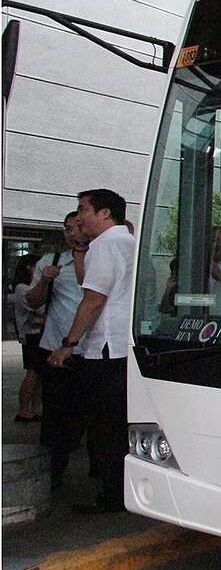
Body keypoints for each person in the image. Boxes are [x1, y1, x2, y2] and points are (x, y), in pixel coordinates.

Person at [47, 189, 134, 512]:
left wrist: (68, 343)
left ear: (104, 213)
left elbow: (93, 299)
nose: (79, 216)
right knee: (115, 424)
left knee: (105, 427)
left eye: (83, 209)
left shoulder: (107, 244)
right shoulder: (127, 242)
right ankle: (118, 490)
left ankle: (112, 496)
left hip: (107, 347)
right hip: (123, 345)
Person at [24, 211, 87, 486]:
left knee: (88, 412)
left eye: (77, 227)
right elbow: (32, 302)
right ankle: (52, 473)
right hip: (55, 347)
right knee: (55, 413)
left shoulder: (101, 259)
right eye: (67, 229)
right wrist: (44, 280)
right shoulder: (50, 262)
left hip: (91, 348)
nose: (71, 233)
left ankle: (101, 471)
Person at [12, 255, 44, 422]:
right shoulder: (23, 288)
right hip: (32, 334)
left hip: (37, 334)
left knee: (38, 374)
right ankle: (24, 409)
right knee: (32, 372)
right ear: (29, 268)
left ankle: (35, 408)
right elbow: (38, 308)